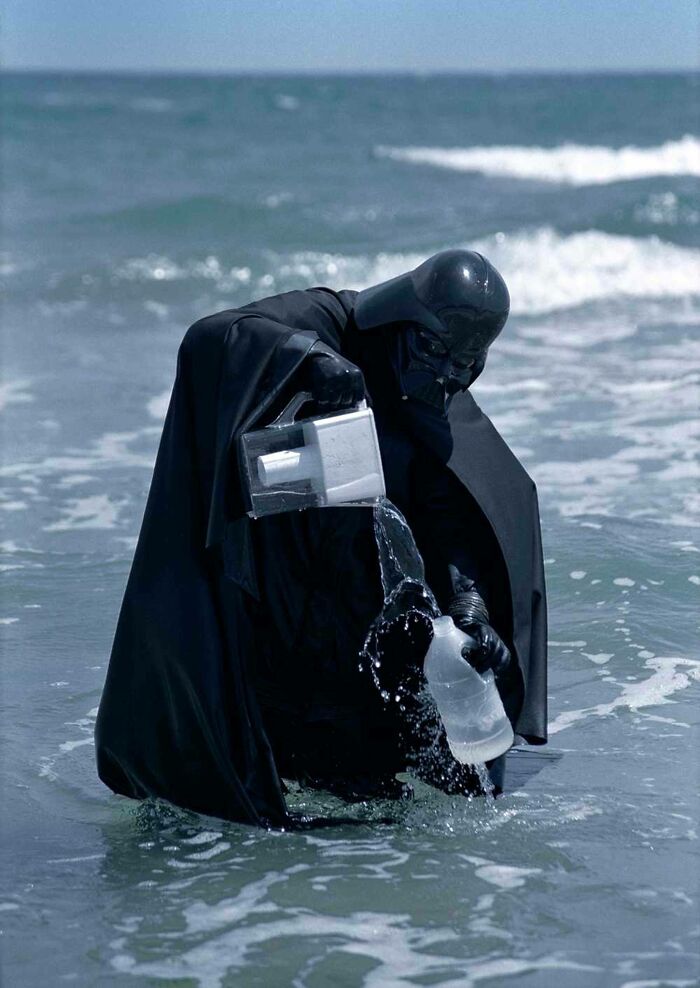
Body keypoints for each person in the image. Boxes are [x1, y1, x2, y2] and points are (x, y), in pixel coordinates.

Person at [95, 249, 547, 827]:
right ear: (402, 318)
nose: (442, 374)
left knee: (388, 785)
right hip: (278, 585)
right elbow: (210, 337)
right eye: (432, 351)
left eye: (463, 364)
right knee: (230, 788)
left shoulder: (437, 390)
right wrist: (305, 358)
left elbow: (453, 510)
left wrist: (470, 601)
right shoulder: (326, 321)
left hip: (355, 608)